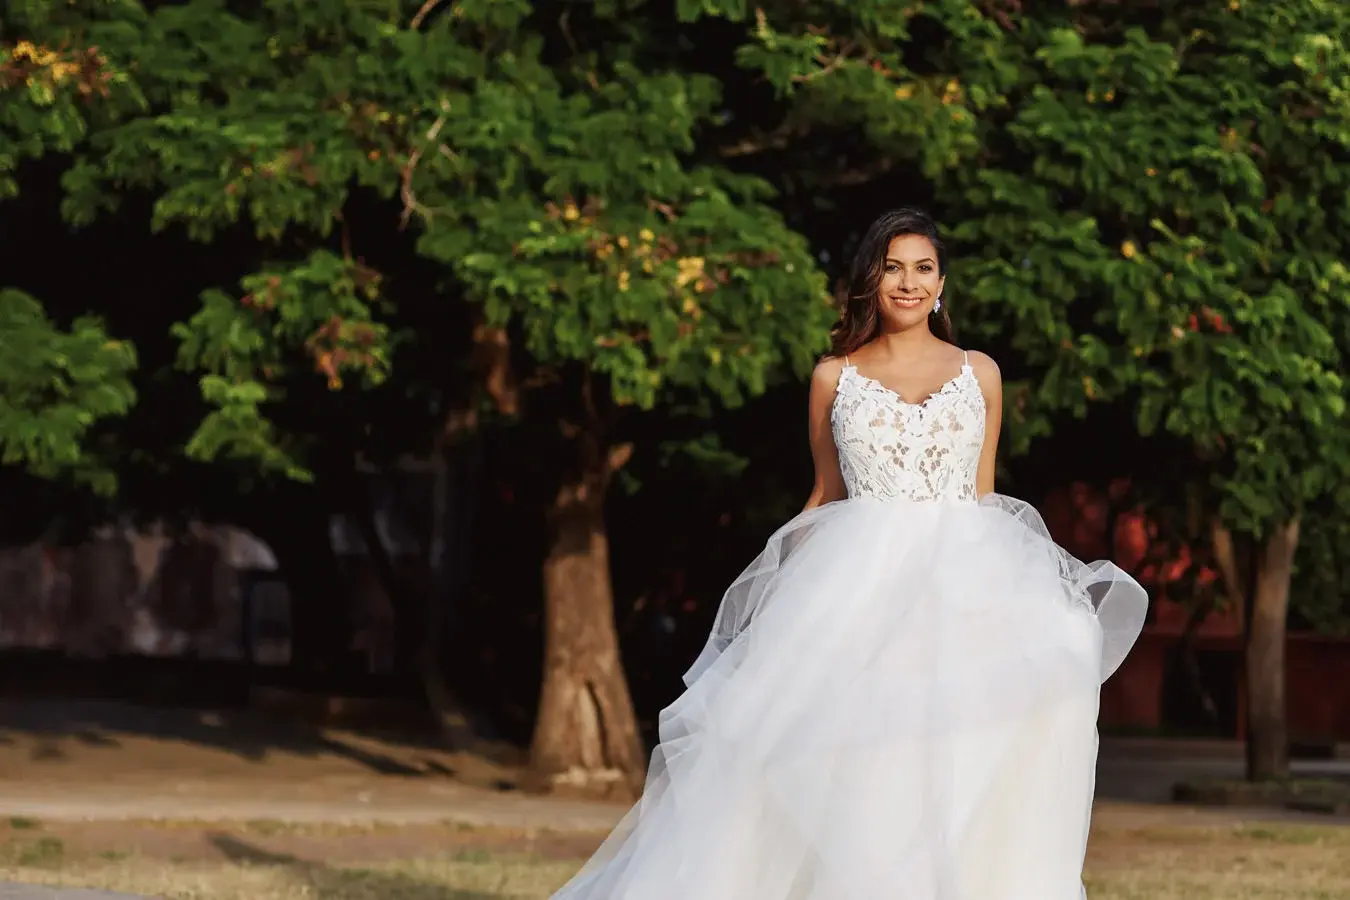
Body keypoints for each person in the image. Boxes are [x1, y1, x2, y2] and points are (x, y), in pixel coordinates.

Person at [550, 207, 1148, 899]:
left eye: (923, 268)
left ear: (942, 283)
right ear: (870, 280)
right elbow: (825, 494)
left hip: (969, 582)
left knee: (969, 749)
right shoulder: (834, 378)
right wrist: (778, 609)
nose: (908, 283)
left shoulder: (979, 373)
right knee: (860, 764)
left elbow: (982, 491)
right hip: (860, 586)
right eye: (893, 267)